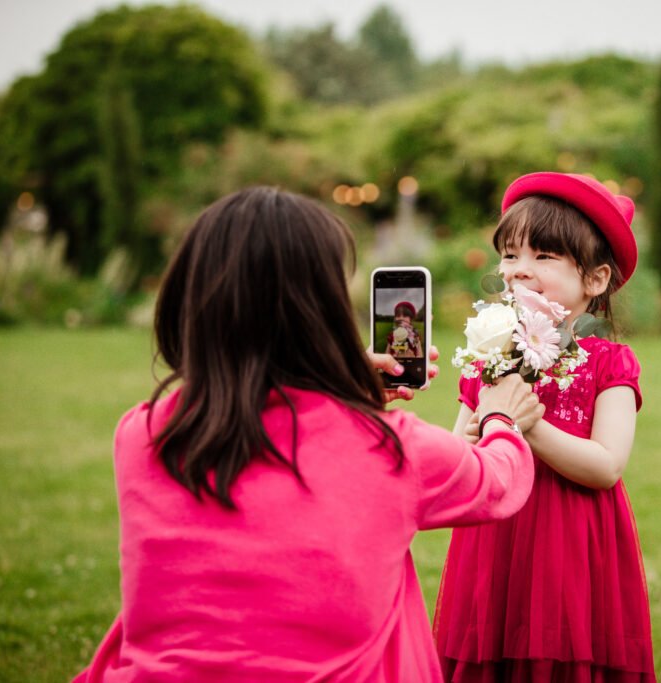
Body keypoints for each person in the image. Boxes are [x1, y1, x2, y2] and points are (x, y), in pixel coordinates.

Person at [72, 186, 545, 683]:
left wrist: (344, 392)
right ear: (323, 311)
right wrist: (501, 419)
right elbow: (495, 482)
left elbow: (270, 428)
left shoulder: (142, 436)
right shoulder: (390, 447)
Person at [434, 172, 656, 682]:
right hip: (495, 549)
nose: (519, 271)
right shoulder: (488, 360)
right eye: (511, 255)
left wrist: (527, 425)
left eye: (544, 257)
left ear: (595, 281)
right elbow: (453, 468)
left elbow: (605, 466)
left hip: (571, 551)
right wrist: (469, 443)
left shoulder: (609, 364)